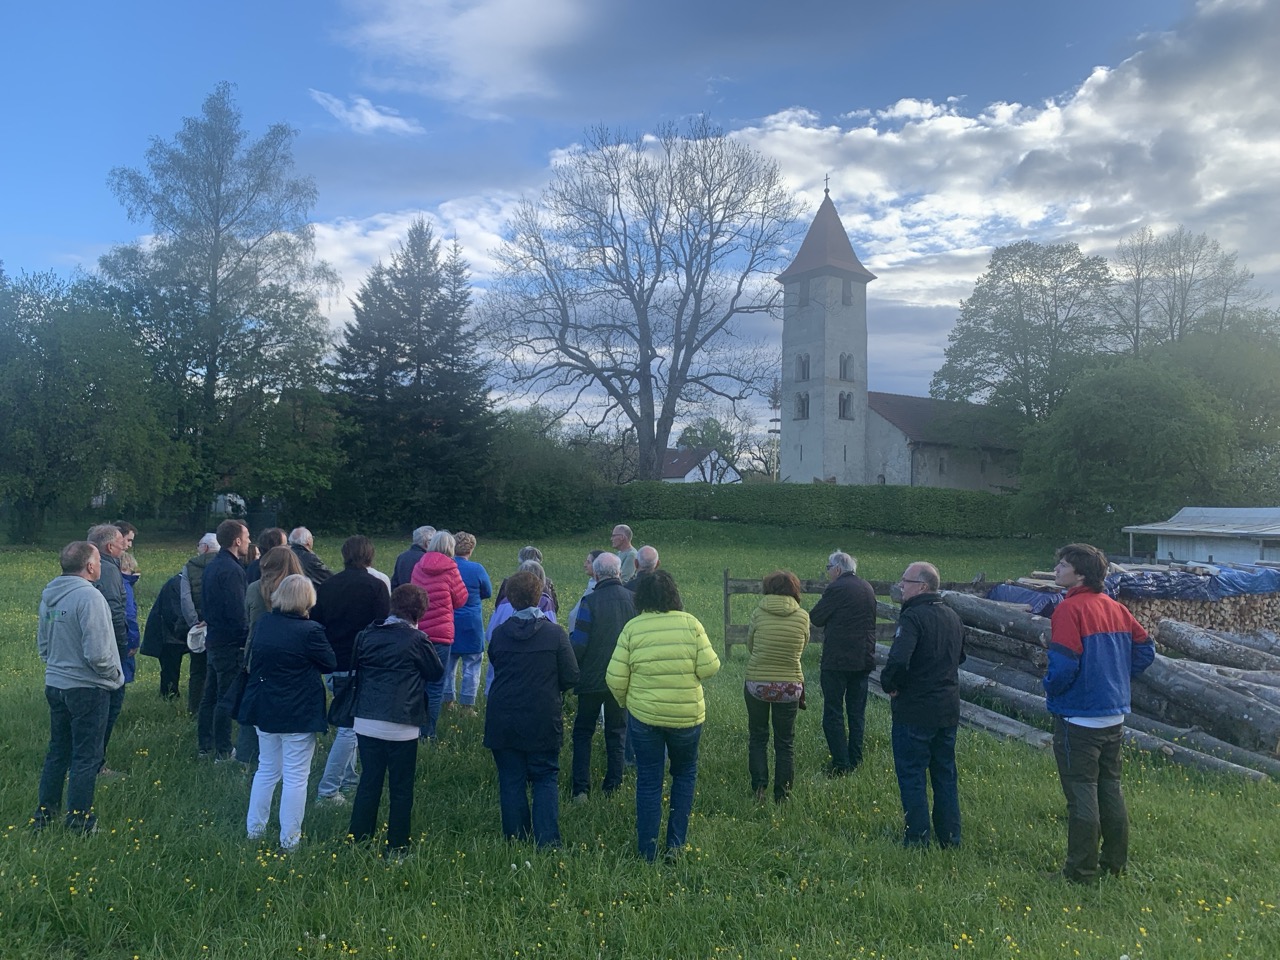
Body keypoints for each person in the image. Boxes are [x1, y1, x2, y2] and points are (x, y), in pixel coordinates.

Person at [1045, 543, 1154, 883]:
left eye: (1063, 565)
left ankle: (1080, 871)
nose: (1056, 570)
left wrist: (1051, 686)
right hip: (1113, 715)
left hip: (1079, 716)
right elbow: (1146, 648)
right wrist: (1117, 675)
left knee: (1081, 792)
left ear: (1080, 574)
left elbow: (1063, 665)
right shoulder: (1115, 608)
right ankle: (1114, 863)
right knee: (1110, 787)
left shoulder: (1068, 610)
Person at [607, 570, 720, 862]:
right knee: (684, 775)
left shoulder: (633, 628)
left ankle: (647, 850)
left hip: (645, 718)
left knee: (648, 781)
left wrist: (628, 702)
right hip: (687, 717)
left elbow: (615, 678)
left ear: (640, 596)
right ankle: (676, 846)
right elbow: (710, 667)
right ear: (674, 594)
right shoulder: (691, 624)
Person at [238, 574, 336, 852]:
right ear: (307, 600)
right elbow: (329, 662)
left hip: (265, 707)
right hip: (299, 710)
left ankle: (254, 831)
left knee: (267, 769)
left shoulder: (265, 624)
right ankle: (290, 841)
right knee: (295, 776)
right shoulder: (311, 631)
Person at [32, 542, 124, 834]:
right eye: (97, 560)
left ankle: (45, 816)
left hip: (56, 683)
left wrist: (59, 664)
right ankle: (79, 821)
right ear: (90, 566)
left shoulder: (50, 595)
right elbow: (98, 652)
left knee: (58, 752)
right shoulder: (90, 598)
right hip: (88, 687)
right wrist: (114, 676)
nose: (99, 565)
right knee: (86, 757)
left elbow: (43, 645)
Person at [347, 585, 444, 859]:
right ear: (419, 612)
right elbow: (436, 672)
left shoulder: (366, 635)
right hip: (402, 722)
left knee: (369, 781)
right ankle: (398, 847)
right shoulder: (417, 640)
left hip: (366, 718)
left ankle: (358, 839)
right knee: (401, 788)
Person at [484, 570, 579, 849]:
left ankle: (515, 837)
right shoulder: (555, 634)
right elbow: (572, 675)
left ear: (509, 599)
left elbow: (497, 663)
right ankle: (547, 841)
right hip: (542, 714)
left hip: (504, 715)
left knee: (511, 777)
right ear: (540, 597)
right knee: (544, 776)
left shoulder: (500, 634)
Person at [880, 561, 966, 848]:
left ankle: (917, 837)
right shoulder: (953, 616)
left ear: (922, 586)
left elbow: (899, 660)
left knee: (912, 773)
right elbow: (960, 657)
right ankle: (950, 836)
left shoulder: (913, 617)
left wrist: (891, 684)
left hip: (915, 708)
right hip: (947, 708)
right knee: (944, 774)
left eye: (905, 581)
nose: (901, 585)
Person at [312, 535, 391, 804]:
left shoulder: (327, 586)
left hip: (333, 663)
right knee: (350, 728)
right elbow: (383, 626)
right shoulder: (376, 586)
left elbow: (316, 623)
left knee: (349, 724)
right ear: (370, 556)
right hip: (362, 665)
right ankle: (328, 790)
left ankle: (349, 779)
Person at [569, 552, 636, 801]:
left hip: (591, 679)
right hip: (623, 679)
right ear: (619, 573)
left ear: (596, 574)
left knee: (583, 731)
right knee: (617, 731)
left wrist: (570, 671)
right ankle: (613, 785)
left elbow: (579, 643)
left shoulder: (590, 601)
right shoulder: (634, 600)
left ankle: (581, 788)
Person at [809, 549, 878, 777]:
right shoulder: (867, 587)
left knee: (833, 712)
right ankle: (856, 758)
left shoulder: (836, 588)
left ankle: (841, 764)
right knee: (857, 713)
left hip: (837, 660)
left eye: (829, 568)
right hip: (864, 658)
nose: (828, 573)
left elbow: (816, 617)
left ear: (837, 569)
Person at [745, 570, 810, 803]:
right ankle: (782, 795)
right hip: (790, 685)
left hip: (758, 683)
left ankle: (759, 789)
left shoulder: (758, 613)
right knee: (785, 743)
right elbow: (802, 649)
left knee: (758, 737)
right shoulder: (802, 616)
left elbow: (750, 645)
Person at [239, 546, 306, 771]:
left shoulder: (253, 588)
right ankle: (287, 759)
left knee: (254, 712)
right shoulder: (301, 588)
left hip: (256, 656)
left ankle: (250, 762)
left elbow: (247, 621)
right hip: (291, 657)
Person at [198, 520, 250, 760]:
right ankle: (223, 750)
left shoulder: (213, 565)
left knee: (209, 696)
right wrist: (244, 637)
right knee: (224, 697)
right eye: (247, 537)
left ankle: (205, 745)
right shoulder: (232, 569)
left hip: (214, 638)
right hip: (229, 641)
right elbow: (237, 609)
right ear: (236, 540)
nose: (250, 541)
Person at [410, 531, 469, 740]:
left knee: (417, 682)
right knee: (435, 686)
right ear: (450, 548)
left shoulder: (419, 565)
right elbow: (461, 599)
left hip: (419, 631)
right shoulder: (451, 568)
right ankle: (428, 734)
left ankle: (411, 730)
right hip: (442, 634)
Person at [87, 524, 129, 776]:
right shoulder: (109, 571)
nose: (125, 545)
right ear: (109, 547)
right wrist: (123, 645)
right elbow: (115, 610)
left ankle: (88, 760)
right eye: (122, 541)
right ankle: (96, 764)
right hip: (109, 649)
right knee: (109, 705)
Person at [445, 532, 492, 712]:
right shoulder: (477, 568)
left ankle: (448, 701)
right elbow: (487, 591)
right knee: (472, 664)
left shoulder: (448, 567)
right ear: (471, 549)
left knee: (448, 664)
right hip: (471, 621)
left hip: (450, 619)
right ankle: (467, 705)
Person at [180, 533, 219, 714]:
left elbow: (185, 597)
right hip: (218, 623)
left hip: (197, 624)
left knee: (197, 670)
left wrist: (195, 623)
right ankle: (216, 708)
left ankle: (194, 708)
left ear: (204, 548)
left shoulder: (189, 566)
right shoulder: (226, 565)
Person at [566, 549, 606, 634]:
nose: (585, 565)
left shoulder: (597, 586)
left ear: (597, 565)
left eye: (588, 562)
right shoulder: (592, 582)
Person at [391, 526, 434, 590]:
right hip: (420, 597)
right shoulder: (427, 559)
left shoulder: (401, 557)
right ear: (427, 543)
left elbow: (394, 584)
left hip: (403, 595)